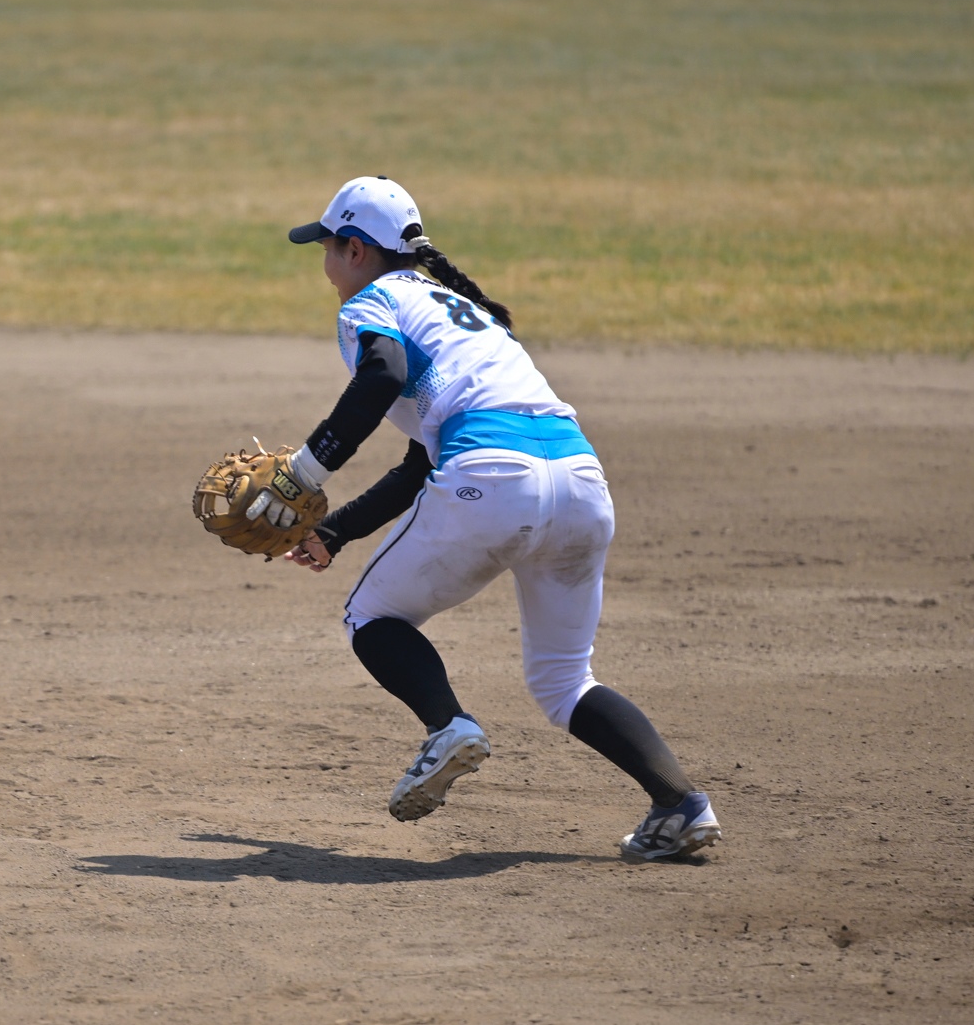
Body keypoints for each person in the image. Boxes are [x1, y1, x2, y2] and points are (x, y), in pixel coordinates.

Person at [255, 176, 720, 861]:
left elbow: (380, 376)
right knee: (565, 680)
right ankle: (681, 805)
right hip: (581, 485)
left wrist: (303, 471)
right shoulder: (464, 313)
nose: (325, 263)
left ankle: (448, 726)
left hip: (494, 479)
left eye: (328, 247)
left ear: (356, 250)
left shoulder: (374, 301)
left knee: (372, 617)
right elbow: (420, 462)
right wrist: (335, 530)